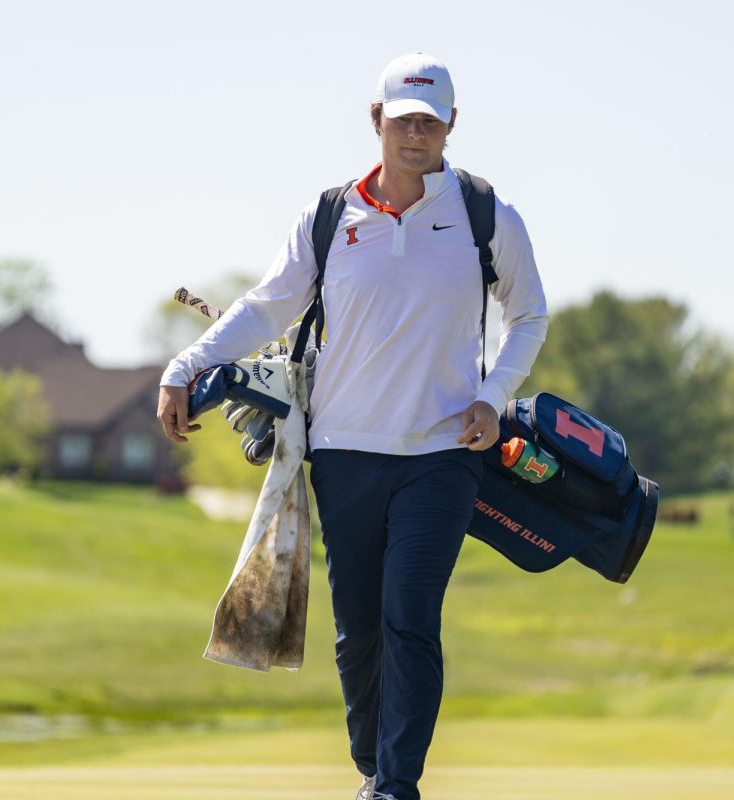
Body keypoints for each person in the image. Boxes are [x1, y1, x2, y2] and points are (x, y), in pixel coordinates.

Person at [157, 52, 548, 800]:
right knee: (358, 632)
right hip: (344, 457)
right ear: (377, 121)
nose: (416, 134)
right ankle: (374, 767)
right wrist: (185, 366)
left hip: (442, 455)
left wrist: (493, 397)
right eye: (403, 120)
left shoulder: (486, 215)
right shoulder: (331, 217)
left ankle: (397, 785)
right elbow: (268, 305)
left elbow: (528, 315)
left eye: (430, 122)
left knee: (410, 619)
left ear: (451, 126)